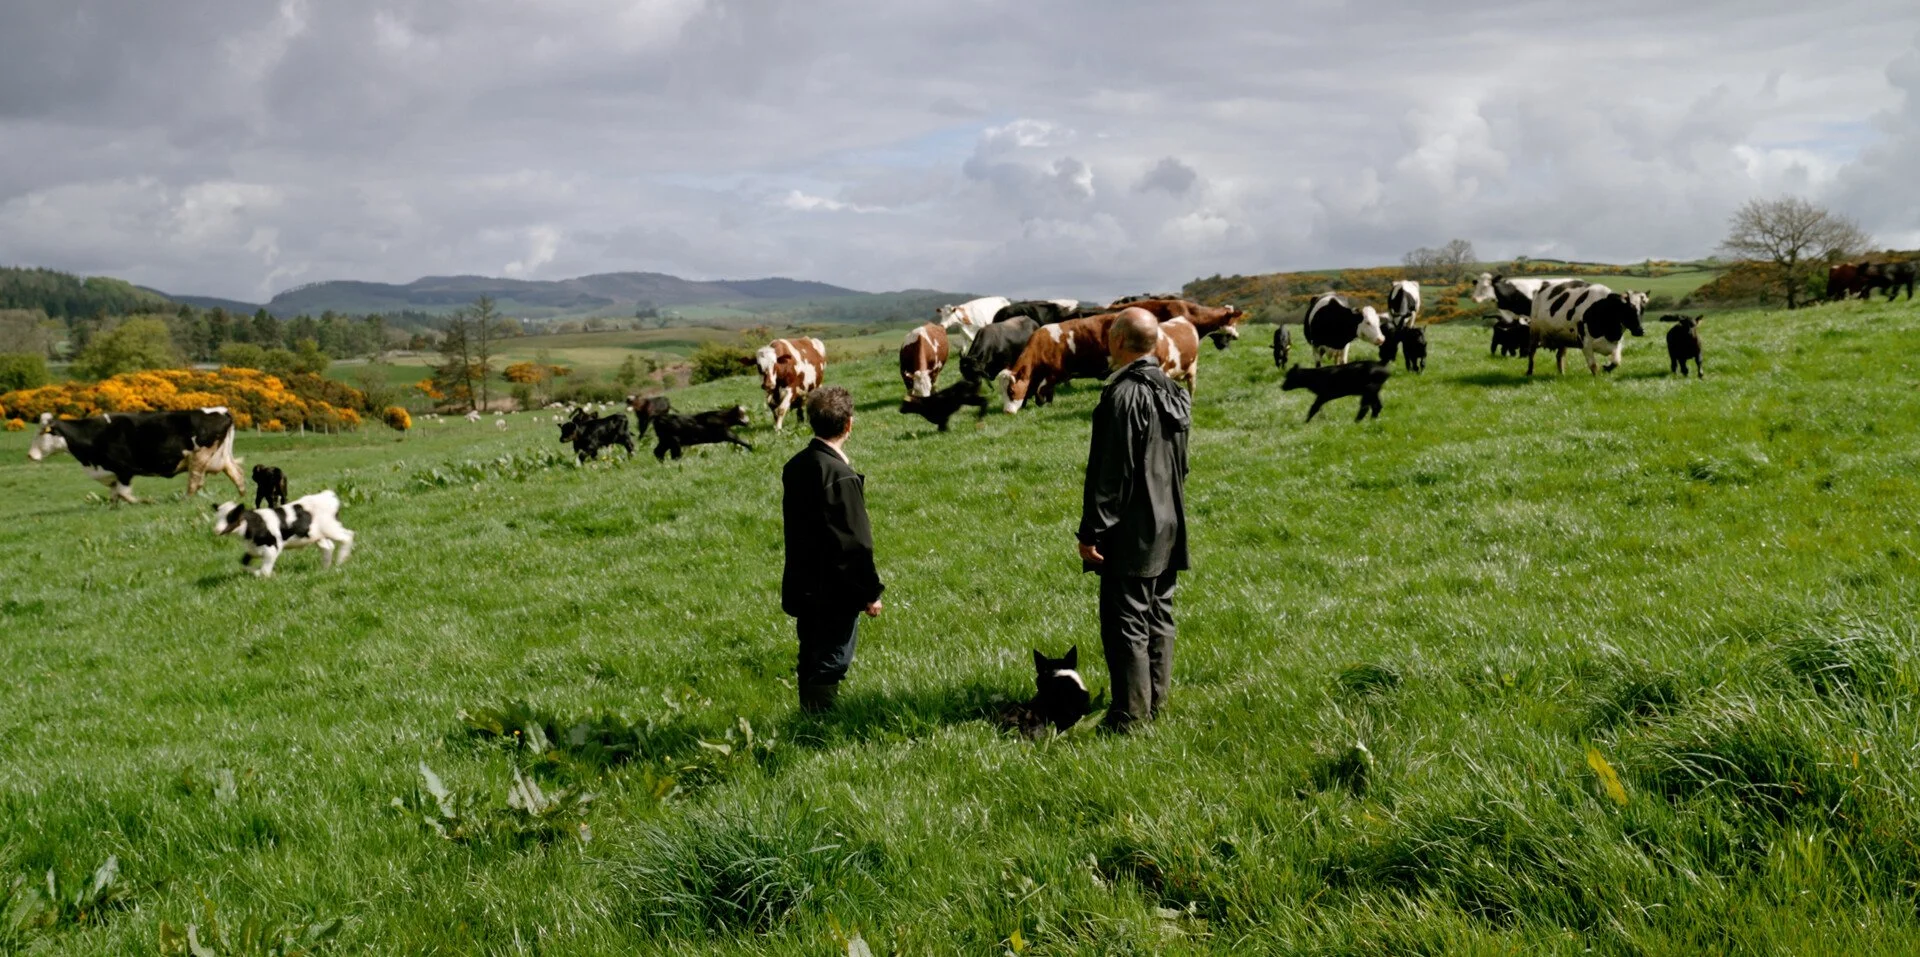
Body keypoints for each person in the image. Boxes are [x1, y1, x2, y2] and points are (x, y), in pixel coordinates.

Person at [1077, 308, 1191, 733]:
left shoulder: (1122, 395)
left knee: (1125, 624)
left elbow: (1112, 472)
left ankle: (1129, 717)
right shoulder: (1174, 391)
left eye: (1110, 334)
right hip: (1170, 520)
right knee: (1159, 616)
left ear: (1120, 340)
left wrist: (1092, 531)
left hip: (1133, 527)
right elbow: (1182, 465)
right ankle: (1155, 703)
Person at [781, 386, 884, 712]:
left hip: (803, 582)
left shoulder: (796, 465)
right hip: (834, 591)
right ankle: (819, 730)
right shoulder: (839, 476)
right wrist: (870, 591)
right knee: (831, 659)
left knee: (810, 653)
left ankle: (807, 719)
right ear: (849, 424)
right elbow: (855, 544)